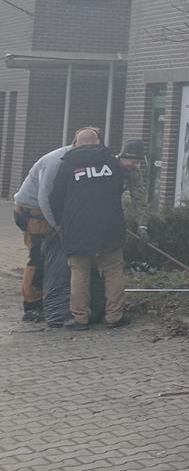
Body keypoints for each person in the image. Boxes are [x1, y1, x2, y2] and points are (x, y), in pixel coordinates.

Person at [15, 128, 104, 327]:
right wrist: (57, 226)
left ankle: (48, 302)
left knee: (52, 258)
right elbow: (45, 198)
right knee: (38, 257)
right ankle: (31, 305)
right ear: (75, 144)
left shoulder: (82, 158)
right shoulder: (56, 161)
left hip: (52, 212)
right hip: (34, 211)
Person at [51, 136, 131, 330]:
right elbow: (119, 189)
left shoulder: (68, 164)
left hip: (78, 227)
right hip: (109, 225)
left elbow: (55, 197)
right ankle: (114, 316)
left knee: (79, 270)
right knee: (113, 269)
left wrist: (62, 222)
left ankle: (80, 318)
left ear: (77, 143)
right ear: (97, 142)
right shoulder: (112, 163)